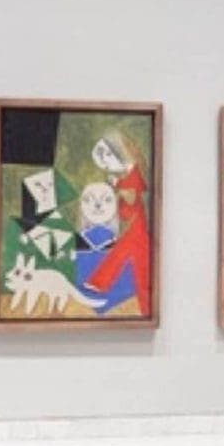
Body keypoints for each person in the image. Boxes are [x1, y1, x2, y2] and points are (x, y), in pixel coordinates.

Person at [82, 130, 152, 317]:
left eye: (107, 155)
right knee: (135, 262)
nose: (105, 163)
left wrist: (117, 186)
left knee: (127, 257)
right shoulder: (127, 173)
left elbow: (131, 198)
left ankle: (99, 283)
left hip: (135, 225)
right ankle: (100, 284)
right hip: (130, 224)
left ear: (119, 151)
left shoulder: (134, 173)